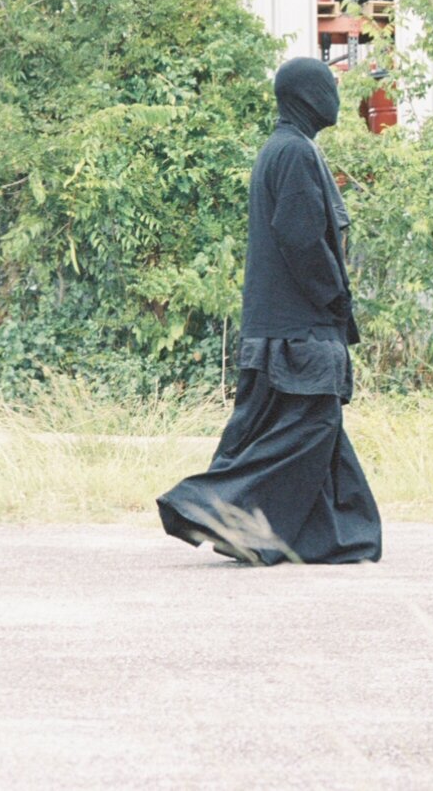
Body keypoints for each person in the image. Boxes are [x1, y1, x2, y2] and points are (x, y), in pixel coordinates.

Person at [156, 57, 382, 566]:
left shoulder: (282, 150)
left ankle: (332, 536)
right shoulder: (295, 154)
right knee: (308, 432)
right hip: (298, 335)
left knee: (293, 435)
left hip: (281, 331)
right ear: (305, 97)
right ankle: (209, 507)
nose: (337, 99)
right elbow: (303, 241)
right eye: (328, 88)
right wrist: (335, 299)